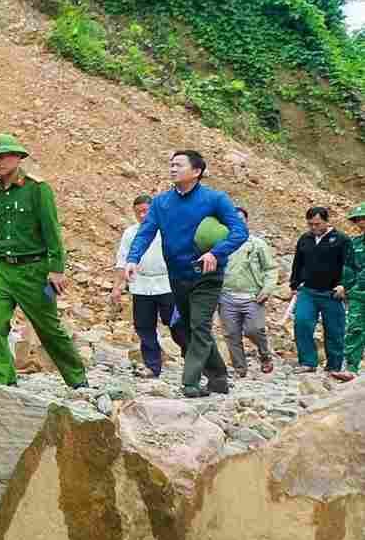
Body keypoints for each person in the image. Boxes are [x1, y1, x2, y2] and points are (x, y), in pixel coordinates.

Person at [125, 150, 247, 397]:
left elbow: (239, 231)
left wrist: (216, 252)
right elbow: (146, 232)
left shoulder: (215, 199)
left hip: (207, 275)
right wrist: (132, 258)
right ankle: (219, 377)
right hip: (177, 276)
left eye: (178, 165)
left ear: (196, 171)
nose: (172, 168)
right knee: (187, 328)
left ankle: (189, 383)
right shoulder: (160, 202)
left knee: (199, 326)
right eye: (170, 164)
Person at [0, 134, 88, 389]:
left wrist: (56, 269)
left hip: (34, 270)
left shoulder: (37, 189)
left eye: (2, 157)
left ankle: (78, 380)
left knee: (48, 328)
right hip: (0, 267)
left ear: (18, 157)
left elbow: (51, 230)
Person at [110, 194, 186, 379]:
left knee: (176, 323)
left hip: (167, 284)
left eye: (146, 211)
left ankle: (192, 356)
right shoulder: (130, 233)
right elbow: (122, 261)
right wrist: (117, 287)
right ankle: (152, 366)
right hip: (141, 285)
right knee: (144, 327)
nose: (143, 215)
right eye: (139, 212)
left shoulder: (169, 229)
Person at [290, 204, 351, 376]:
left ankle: (334, 365)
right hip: (308, 291)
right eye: (310, 224)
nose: (314, 228)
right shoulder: (305, 239)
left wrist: (344, 285)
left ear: (326, 221)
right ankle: (308, 362)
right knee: (301, 323)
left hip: (332, 293)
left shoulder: (341, 239)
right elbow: (297, 263)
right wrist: (294, 285)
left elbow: (350, 265)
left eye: (317, 224)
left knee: (334, 330)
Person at [218, 206, 277, 377]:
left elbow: (270, 269)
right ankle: (240, 368)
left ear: (247, 222)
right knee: (231, 334)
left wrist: (267, 289)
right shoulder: (221, 244)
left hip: (253, 297)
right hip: (227, 296)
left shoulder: (257, 244)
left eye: (241, 220)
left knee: (255, 329)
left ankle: (265, 355)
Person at [341, 204, 365, 380]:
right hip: (358, 295)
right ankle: (352, 367)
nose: (361, 222)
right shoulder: (354, 243)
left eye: (363, 218)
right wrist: (348, 286)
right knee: (354, 328)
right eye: (358, 219)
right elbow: (348, 267)